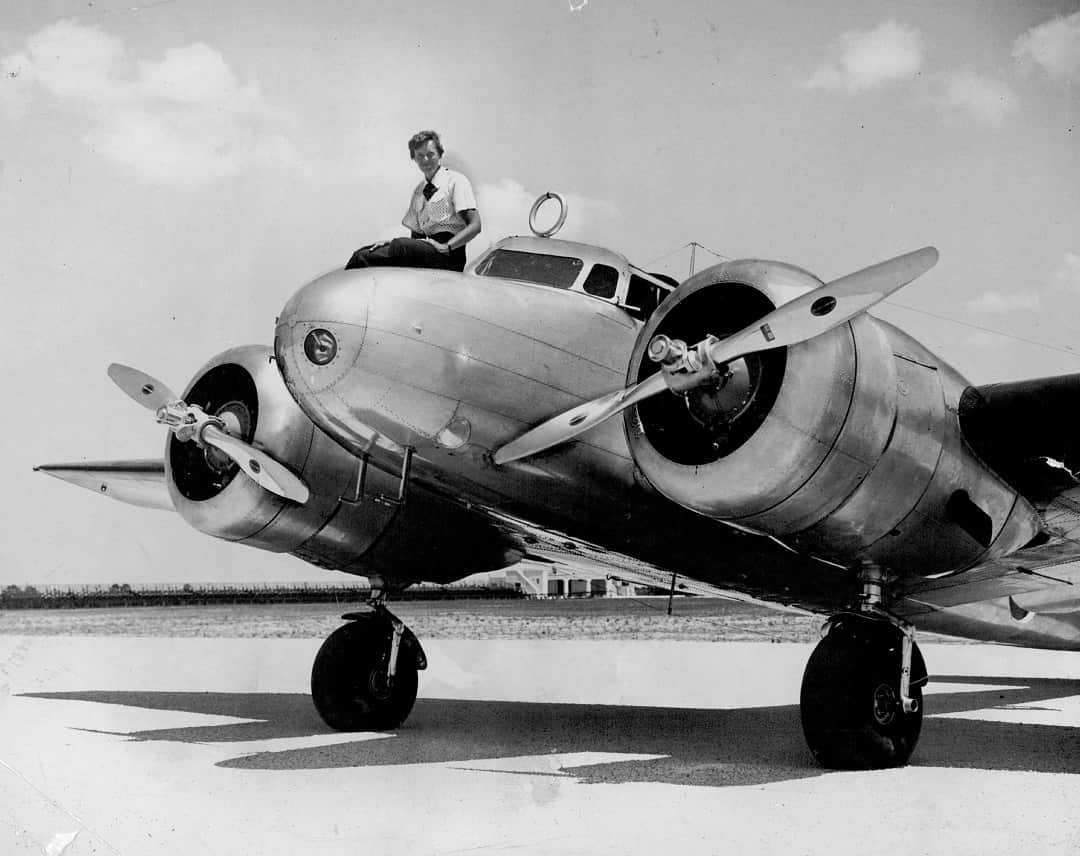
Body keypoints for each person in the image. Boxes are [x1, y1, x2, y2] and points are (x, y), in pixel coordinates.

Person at [345, 130, 482, 273]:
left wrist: (447, 246)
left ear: (440, 154)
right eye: (420, 156)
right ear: (414, 159)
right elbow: (416, 239)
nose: (426, 160)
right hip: (427, 251)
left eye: (430, 154)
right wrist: (389, 244)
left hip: (449, 255)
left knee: (398, 245)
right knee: (363, 253)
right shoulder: (418, 192)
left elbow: (475, 225)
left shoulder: (455, 181)